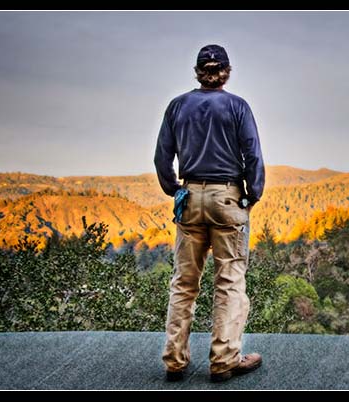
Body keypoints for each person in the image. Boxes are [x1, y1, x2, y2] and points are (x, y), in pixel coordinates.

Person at [154, 44, 265, 383]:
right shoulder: (237, 107)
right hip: (227, 197)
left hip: (190, 197)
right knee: (230, 281)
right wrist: (251, 195)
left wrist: (175, 190)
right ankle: (223, 361)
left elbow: (162, 158)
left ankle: (174, 361)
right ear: (226, 72)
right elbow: (253, 157)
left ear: (198, 71)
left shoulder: (177, 107)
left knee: (184, 283)